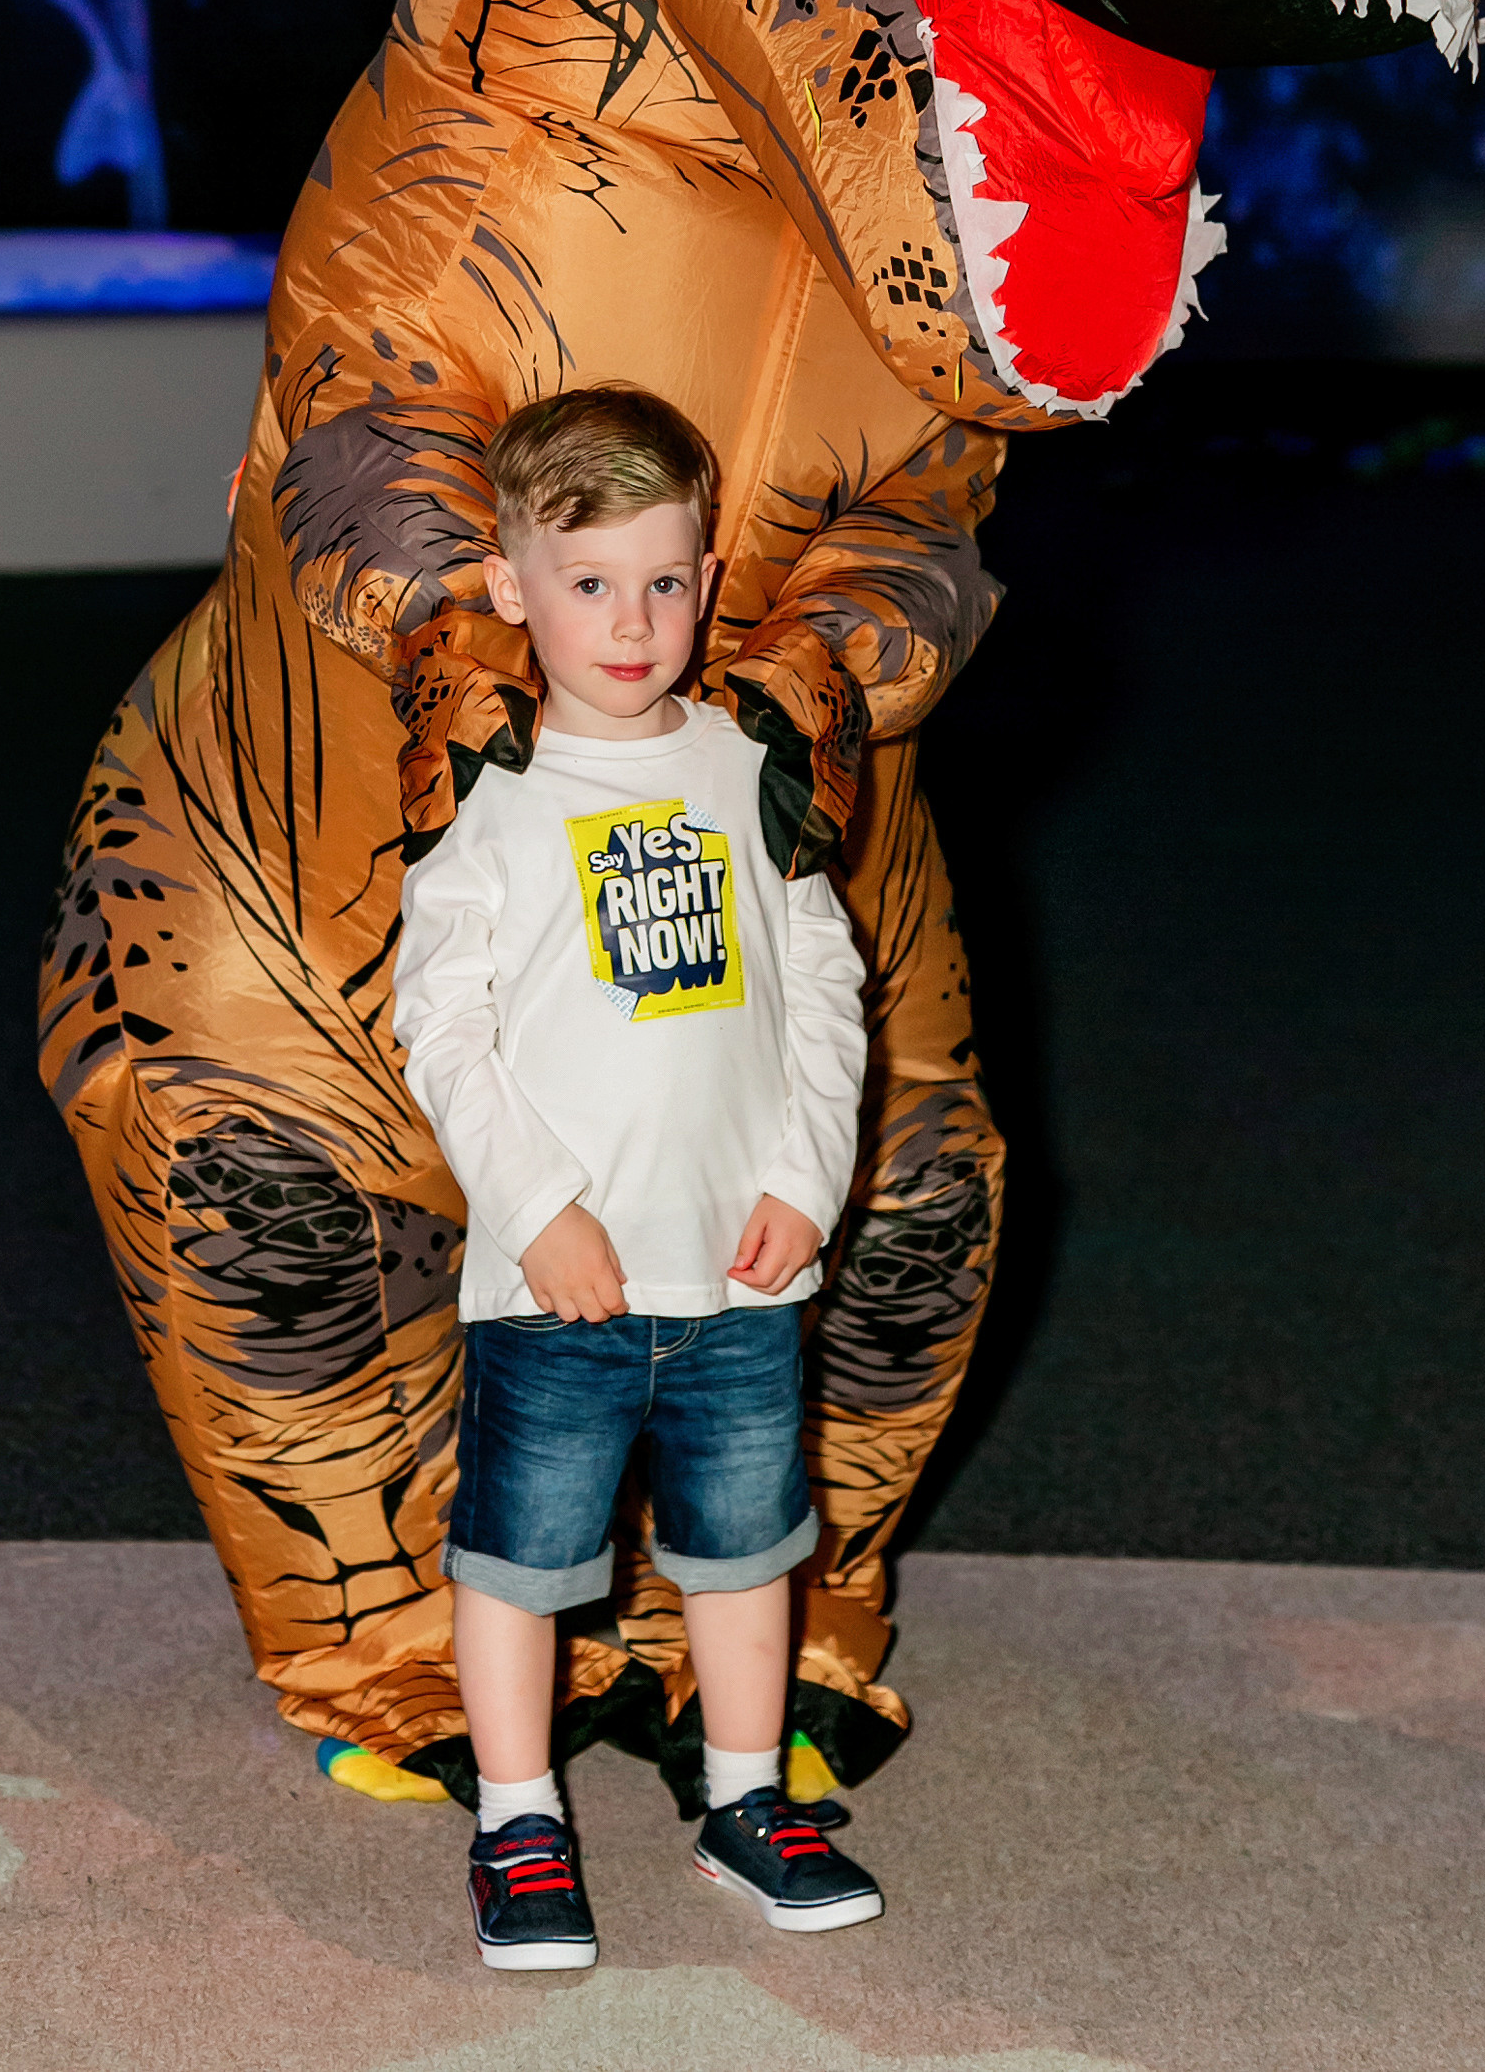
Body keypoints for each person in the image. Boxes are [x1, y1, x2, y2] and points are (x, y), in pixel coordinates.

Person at [392, 383, 885, 1971]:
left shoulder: (753, 769)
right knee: (521, 1560)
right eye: (589, 581)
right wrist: (534, 1209)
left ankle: (747, 1800)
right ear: (510, 580)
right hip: (561, 1285)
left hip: (736, 1271)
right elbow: (440, 1024)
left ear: (706, 569)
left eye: (665, 580)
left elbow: (824, 988)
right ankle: (517, 1818)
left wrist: (807, 1178)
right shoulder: (497, 798)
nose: (632, 619)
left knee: (745, 1557)